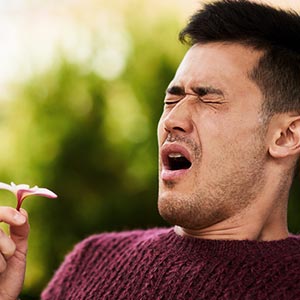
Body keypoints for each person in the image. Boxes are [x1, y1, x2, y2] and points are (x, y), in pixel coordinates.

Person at [1, 0, 300, 299]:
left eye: (207, 99)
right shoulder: (91, 261)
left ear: (286, 136)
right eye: (172, 99)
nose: (172, 120)